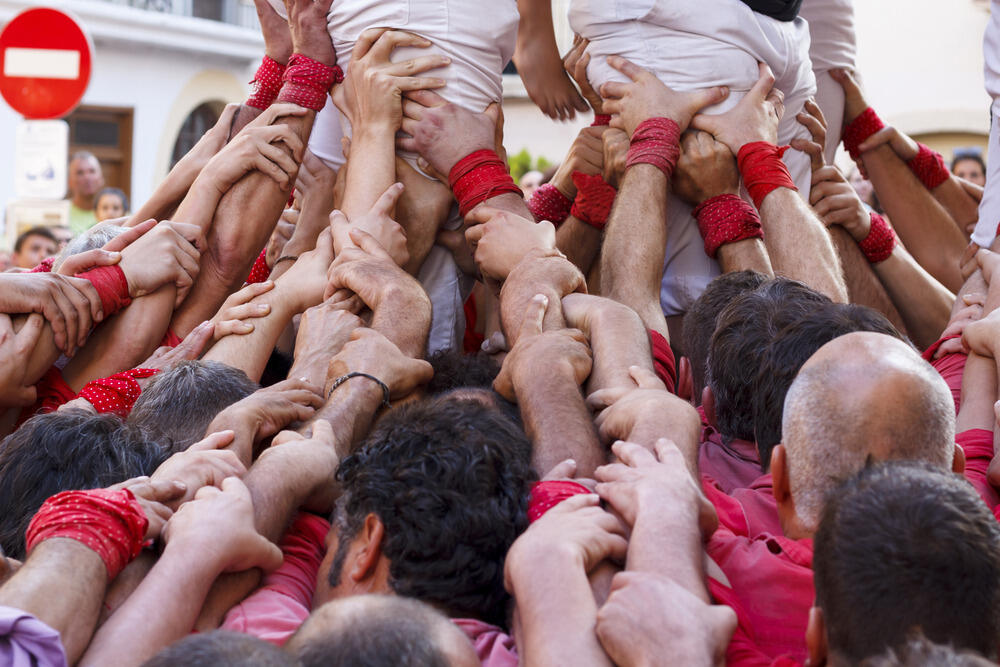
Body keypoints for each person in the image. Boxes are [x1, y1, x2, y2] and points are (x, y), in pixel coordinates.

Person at [66, 152, 105, 234]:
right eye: (80, 173)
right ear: (69, 181)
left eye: (92, 171)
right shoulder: (61, 213)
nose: (87, 177)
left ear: (101, 178)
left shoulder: (118, 211)